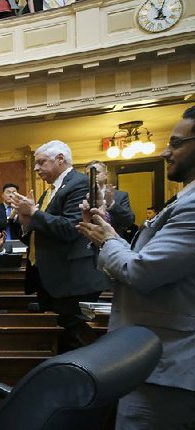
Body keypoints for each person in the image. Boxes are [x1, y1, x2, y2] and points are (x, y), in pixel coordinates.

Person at [76, 105, 195, 429]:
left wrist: (107, 240)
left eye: (178, 142)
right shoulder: (185, 198)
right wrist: (107, 236)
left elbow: (141, 272)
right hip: (156, 359)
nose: (167, 151)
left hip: (169, 364)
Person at [12, 140, 107, 352]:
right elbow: (42, 233)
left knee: (74, 343)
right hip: (51, 280)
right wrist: (26, 220)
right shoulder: (50, 191)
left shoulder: (79, 183)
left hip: (73, 281)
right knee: (57, 341)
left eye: (41, 162)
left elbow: (70, 229)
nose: (36, 168)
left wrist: (34, 213)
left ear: (60, 159)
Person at [85, 160, 136, 240]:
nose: (92, 176)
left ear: (105, 175)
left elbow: (129, 221)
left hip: (114, 240)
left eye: (97, 172)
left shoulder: (120, 196)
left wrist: (111, 204)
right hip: (88, 242)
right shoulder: (80, 195)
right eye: (88, 174)